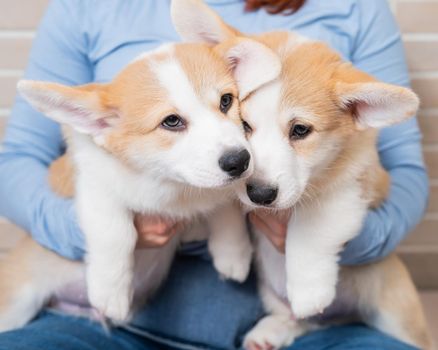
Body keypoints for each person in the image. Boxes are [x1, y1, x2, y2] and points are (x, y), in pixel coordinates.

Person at [0, 0, 429, 349]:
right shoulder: (87, 9)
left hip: (309, 322)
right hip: (115, 320)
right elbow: (18, 159)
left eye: (228, 103)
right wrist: (110, 237)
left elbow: (404, 172)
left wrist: (336, 242)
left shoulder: (355, 10)